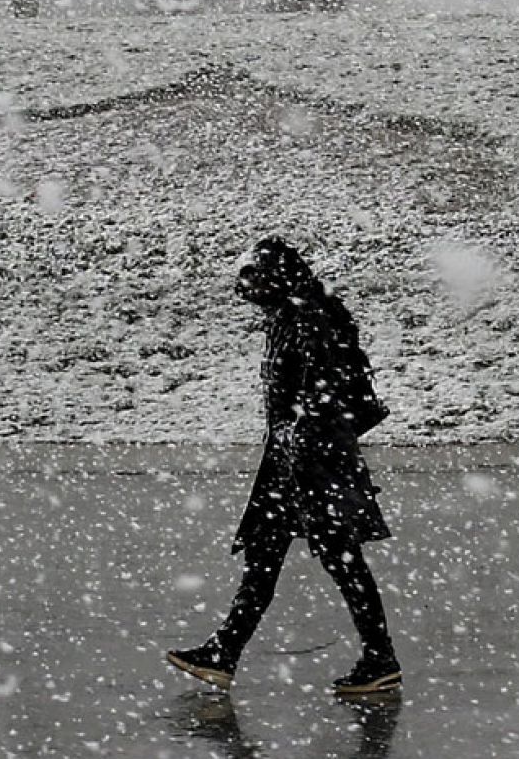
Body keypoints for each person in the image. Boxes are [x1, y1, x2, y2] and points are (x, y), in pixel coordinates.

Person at [168, 236, 401, 696]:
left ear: (274, 278)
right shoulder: (287, 316)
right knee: (267, 553)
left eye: (251, 279)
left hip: (316, 463)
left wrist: (302, 435)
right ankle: (225, 651)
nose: (245, 291)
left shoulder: (309, 318)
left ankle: (379, 657)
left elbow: (327, 388)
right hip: (293, 460)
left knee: (341, 558)